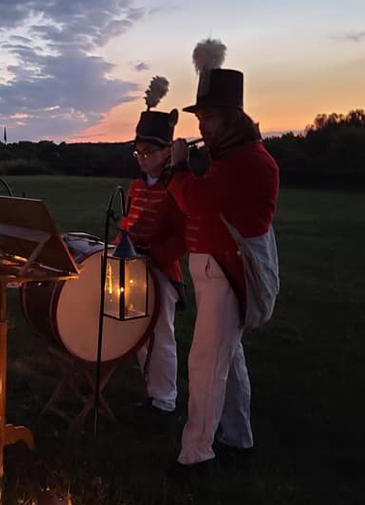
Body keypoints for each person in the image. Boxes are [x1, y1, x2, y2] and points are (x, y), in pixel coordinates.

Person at [165, 39, 280, 472]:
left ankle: (196, 454)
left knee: (206, 363)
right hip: (212, 267)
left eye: (209, 118)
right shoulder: (228, 157)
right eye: (202, 118)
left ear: (232, 119)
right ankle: (237, 435)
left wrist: (177, 170)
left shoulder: (248, 161)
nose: (202, 128)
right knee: (227, 359)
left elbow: (197, 203)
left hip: (225, 270)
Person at [119, 77, 188, 424]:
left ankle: (165, 401)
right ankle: (150, 392)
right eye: (138, 152)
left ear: (166, 152)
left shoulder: (176, 187)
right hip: (135, 267)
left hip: (161, 269)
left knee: (162, 334)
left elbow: (184, 235)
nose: (141, 159)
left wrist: (156, 254)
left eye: (148, 153)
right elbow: (130, 220)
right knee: (137, 331)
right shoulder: (135, 185)